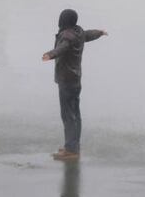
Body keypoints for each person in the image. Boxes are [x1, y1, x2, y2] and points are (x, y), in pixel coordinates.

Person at [42, 9, 108, 160]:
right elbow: (88, 34)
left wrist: (50, 54)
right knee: (75, 115)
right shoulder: (78, 32)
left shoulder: (67, 35)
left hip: (66, 80)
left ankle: (71, 150)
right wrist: (100, 32)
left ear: (63, 20)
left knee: (68, 116)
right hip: (75, 79)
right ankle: (72, 146)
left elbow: (62, 47)